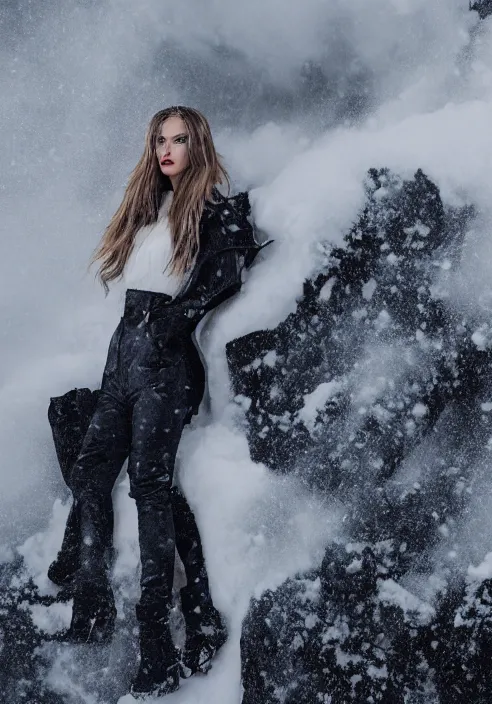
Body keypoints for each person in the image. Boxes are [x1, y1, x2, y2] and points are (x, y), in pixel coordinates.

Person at [60, 105, 270, 697]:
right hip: (122, 351)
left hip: (163, 360)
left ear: (198, 144)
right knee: (89, 470)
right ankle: (92, 601)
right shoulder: (151, 211)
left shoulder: (211, 211)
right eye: (159, 140)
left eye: (179, 139)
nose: (167, 149)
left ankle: (156, 645)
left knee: (150, 484)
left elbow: (224, 273)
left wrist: (174, 322)